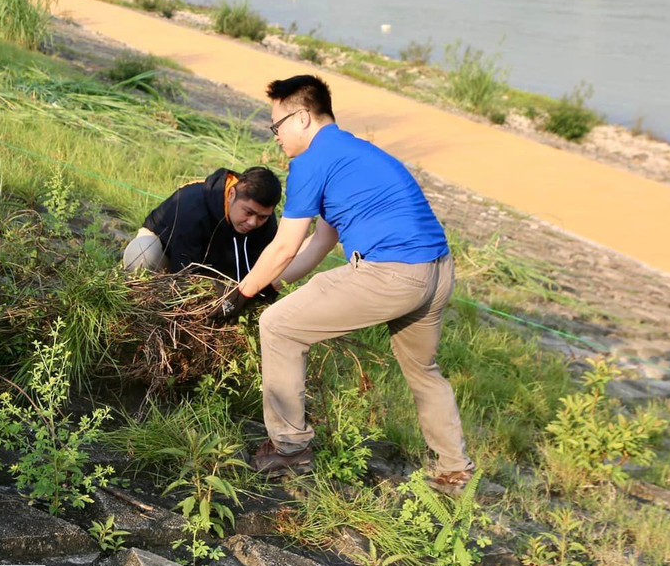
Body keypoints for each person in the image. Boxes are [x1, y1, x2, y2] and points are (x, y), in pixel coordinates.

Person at [216, 75, 473, 493]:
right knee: (423, 371)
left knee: (278, 327)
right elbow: (321, 241)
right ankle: (453, 470)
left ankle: (290, 448)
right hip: (437, 271)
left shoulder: (311, 162)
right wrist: (273, 286)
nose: (276, 136)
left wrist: (240, 297)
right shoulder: (355, 153)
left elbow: (284, 245)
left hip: (391, 273)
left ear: (301, 118)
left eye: (276, 126)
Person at [123, 167, 280, 284]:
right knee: (143, 253)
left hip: (213, 265)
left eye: (262, 217)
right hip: (169, 252)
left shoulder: (266, 222)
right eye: (248, 212)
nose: (253, 222)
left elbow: (262, 267)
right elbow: (184, 263)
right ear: (231, 195)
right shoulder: (192, 204)